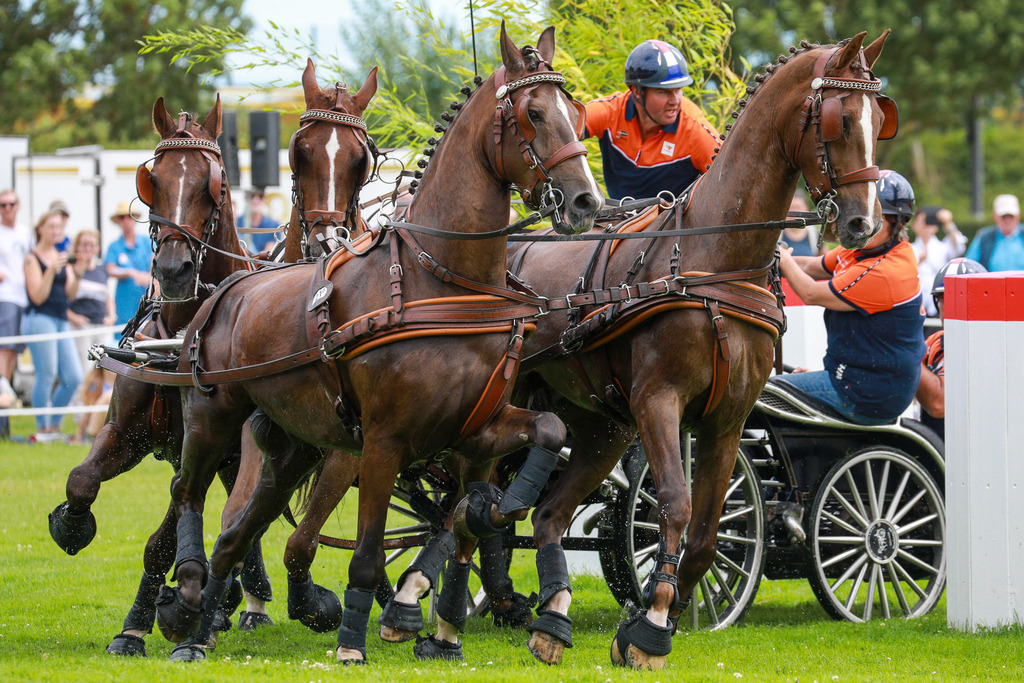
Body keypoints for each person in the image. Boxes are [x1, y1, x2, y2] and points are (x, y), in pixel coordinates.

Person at [774, 170, 925, 425]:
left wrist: (782, 259)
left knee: (766, 393)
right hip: (857, 380)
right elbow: (811, 266)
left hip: (869, 393)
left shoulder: (885, 271)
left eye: (873, 216)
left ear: (896, 222)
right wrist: (771, 256)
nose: (862, 222)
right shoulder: (865, 246)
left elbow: (811, 293)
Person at [582, 39, 720, 201]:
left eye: (678, 90)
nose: (675, 101)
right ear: (637, 91)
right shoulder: (610, 112)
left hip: (675, 216)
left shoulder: (695, 130)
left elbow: (731, 175)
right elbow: (560, 128)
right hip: (617, 215)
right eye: (664, 92)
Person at [22, 210, 84, 441]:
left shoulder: (61, 255)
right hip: (39, 318)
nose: (56, 231)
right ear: (40, 229)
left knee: (74, 376)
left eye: (59, 227)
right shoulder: (31, 258)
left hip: (60, 319)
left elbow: (71, 294)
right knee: (47, 374)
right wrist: (50, 270)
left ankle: (54, 425)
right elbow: (37, 297)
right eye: (51, 226)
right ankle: (42, 427)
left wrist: (77, 274)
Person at [916, 257, 987, 441]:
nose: (950, 306)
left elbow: (939, 406)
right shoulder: (935, 341)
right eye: (944, 298)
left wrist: (906, 354)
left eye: (961, 296)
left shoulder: (992, 345)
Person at [103, 200, 153, 334]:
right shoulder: (114, 246)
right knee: (124, 337)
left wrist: (149, 276)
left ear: (135, 219)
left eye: (130, 216)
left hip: (148, 300)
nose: (126, 220)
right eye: (122, 217)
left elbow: (156, 261)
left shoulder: (147, 242)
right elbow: (110, 269)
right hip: (125, 304)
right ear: (118, 222)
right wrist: (130, 272)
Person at [0, 189, 30, 392]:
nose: (7, 208)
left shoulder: (25, 232)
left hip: (24, 297)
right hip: (5, 295)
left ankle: (5, 394)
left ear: (18, 206)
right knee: (5, 347)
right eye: (3, 205)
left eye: (11, 204)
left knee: (13, 351)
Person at [911, 207, 966, 317]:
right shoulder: (909, 248)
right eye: (920, 221)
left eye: (928, 221)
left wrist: (947, 223)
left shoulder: (943, 248)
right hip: (916, 303)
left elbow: (959, 247)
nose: (925, 226)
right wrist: (918, 262)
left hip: (937, 304)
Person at [965, 194, 1024, 272]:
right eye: (1003, 217)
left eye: (1011, 216)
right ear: (995, 216)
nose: (1007, 220)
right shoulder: (984, 237)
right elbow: (969, 266)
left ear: (1018, 216)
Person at [238, 188, 282, 253]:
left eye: (260, 196)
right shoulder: (236, 223)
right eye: (252, 196)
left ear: (264, 200)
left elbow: (268, 254)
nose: (256, 200)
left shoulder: (274, 226)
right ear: (246, 199)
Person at [782, 191, 822, 257]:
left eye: (797, 207)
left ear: (807, 209)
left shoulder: (815, 234)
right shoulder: (777, 236)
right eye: (790, 207)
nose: (794, 212)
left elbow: (823, 259)